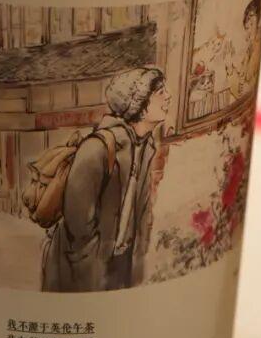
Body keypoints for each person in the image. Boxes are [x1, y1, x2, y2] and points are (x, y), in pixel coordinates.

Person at [41, 66, 171, 293]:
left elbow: (141, 212)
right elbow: (79, 224)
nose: (168, 96)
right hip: (83, 267)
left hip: (120, 262)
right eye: (160, 92)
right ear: (140, 104)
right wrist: (95, 269)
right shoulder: (97, 147)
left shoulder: (146, 147)